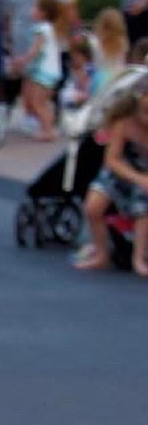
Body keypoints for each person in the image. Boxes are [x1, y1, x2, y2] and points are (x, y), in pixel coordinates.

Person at [75, 71, 148, 277]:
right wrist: (137, 177)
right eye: (145, 112)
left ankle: (139, 257)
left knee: (144, 208)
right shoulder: (124, 122)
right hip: (124, 170)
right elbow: (112, 159)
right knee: (93, 206)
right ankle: (101, 253)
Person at [17, 0, 66, 141]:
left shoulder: (42, 29)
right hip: (53, 71)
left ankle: (48, 130)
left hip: (43, 71)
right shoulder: (53, 29)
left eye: (35, 8)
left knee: (38, 102)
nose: (32, 11)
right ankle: (47, 128)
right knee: (44, 102)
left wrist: (23, 60)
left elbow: (36, 50)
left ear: (43, 13)